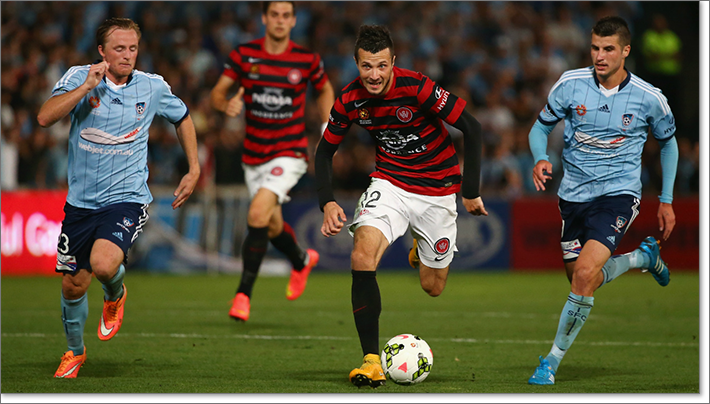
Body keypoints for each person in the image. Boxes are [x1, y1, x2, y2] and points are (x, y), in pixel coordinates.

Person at [314, 24, 487, 388]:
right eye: (366, 67)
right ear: (356, 64)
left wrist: (469, 190)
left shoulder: (418, 87)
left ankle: (418, 249)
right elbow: (325, 151)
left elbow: (471, 127)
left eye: (381, 66)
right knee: (362, 256)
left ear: (393, 62)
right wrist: (327, 202)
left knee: (433, 286)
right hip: (390, 183)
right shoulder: (349, 99)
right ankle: (371, 361)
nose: (373, 75)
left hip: (438, 192)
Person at [37, 17, 201, 378]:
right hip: (80, 203)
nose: (127, 56)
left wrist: (193, 168)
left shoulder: (152, 86)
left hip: (126, 198)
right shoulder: (79, 77)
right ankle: (74, 352)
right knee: (73, 283)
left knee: (104, 264)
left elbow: (183, 117)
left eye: (132, 49)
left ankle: (115, 294)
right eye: (119, 49)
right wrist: (85, 88)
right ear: (101, 51)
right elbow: (45, 118)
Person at [526, 16, 678, 385]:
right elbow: (540, 127)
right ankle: (642, 258)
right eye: (595, 47)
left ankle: (550, 362)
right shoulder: (570, 85)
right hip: (573, 195)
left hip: (618, 194)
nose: (599, 55)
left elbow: (669, 143)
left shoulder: (649, 97)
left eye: (608, 49)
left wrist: (667, 199)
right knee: (583, 281)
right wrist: (540, 157)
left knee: (582, 276)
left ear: (625, 51)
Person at [210, 1, 334, 322]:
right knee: (271, 222)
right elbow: (217, 94)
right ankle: (301, 260)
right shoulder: (243, 56)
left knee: (256, 212)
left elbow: (324, 90)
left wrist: (326, 126)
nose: (280, 21)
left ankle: (242, 295)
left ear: (294, 21)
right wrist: (226, 106)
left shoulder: (307, 60)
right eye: (274, 15)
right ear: (265, 18)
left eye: (286, 16)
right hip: (253, 157)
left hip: (289, 153)